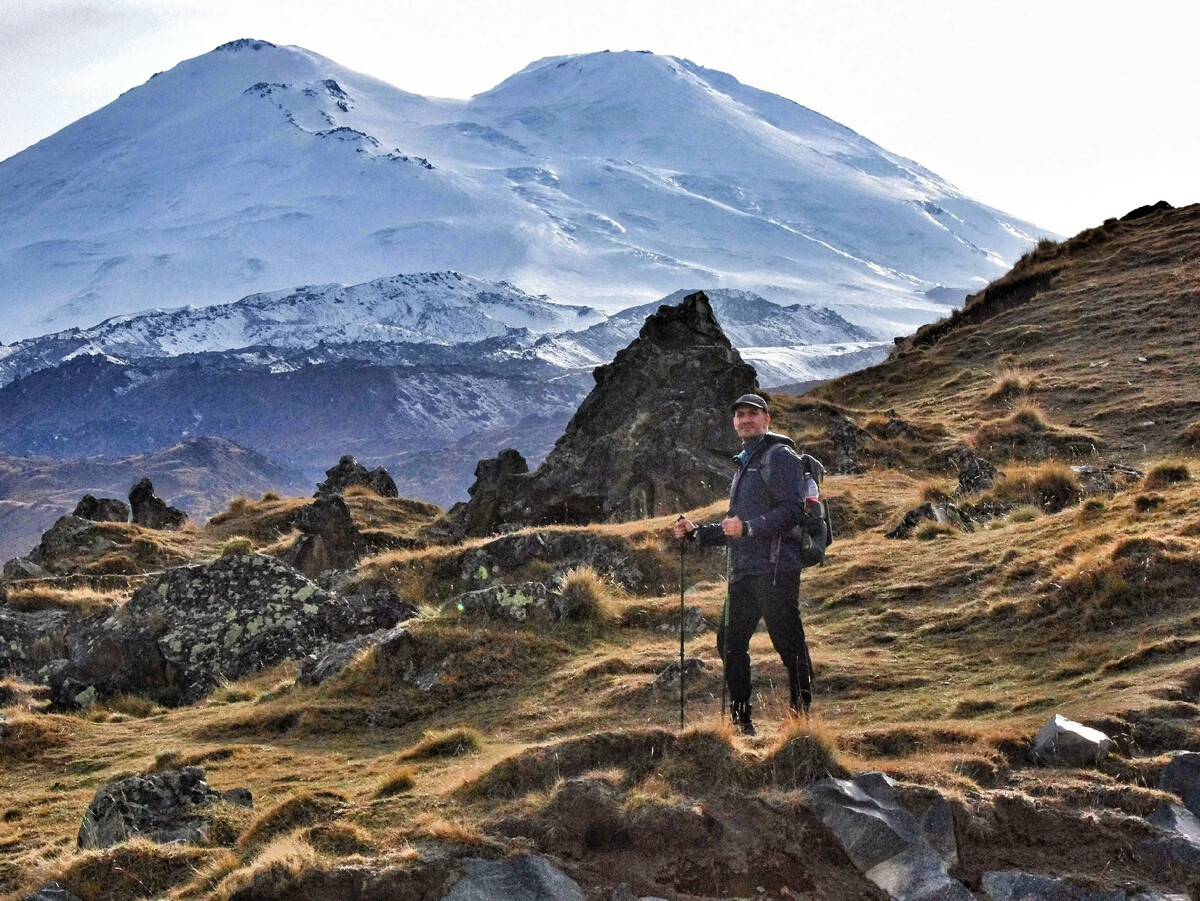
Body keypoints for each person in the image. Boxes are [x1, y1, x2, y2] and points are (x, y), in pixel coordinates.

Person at [674, 393, 816, 735]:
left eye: (753, 413)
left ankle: (800, 718)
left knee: (788, 643)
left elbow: (793, 511)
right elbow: (732, 526)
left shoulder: (779, 457)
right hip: (745, 571)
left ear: (767, 419)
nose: (745, 419)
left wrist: (750, 528)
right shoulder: (745, 463)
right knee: (729, 644)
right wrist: (696, 534)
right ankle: (741, 722)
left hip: (776, 568)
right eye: (739, 415)